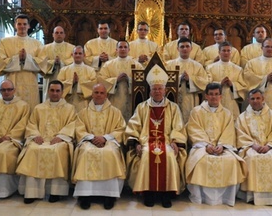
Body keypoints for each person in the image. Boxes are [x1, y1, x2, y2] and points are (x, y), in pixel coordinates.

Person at [125, 64, 187, 208]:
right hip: (146, 141)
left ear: (165, 90)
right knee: (146, 154)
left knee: (170, 155)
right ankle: (149, 193)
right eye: (154, 89)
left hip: (166, 141)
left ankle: (167, 194)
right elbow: (133, 126)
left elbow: (178, 127)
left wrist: (175, 141)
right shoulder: (142, 107)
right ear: (150, 91)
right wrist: (136, 144)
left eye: (160, 89)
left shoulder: (173, 107)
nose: (157, 91)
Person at [16, 80, 77, 204]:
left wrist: (61, 136)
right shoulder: (39, 108)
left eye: (57, 91)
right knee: (32, 150)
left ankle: (55, 192)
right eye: (52, 90)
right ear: (48, 91)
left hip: (59, 141)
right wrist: (35, 135)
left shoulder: (70, 109)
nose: (55, 93)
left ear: (62, 92)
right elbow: (32, 124)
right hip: (40, 139)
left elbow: (72, 124)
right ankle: (32, 192)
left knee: (58, 150)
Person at [185, 83, 247, 206]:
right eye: (211, 94)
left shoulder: (227, 113)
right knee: (200, 161)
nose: (214, 97)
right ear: (206, 96)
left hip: (222, 147)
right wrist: (206, 145)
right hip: (201, 147)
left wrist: (222, 145)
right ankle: (199, 197)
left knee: (231, 161)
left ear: (220, 96)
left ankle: (226, 198)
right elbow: (194, 129)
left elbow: (229, 132)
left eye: (216, 94)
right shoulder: (196, 112)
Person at [72, 84, 126, 210]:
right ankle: (85, 195)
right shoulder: (83, 112)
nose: (99, 95)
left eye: (102, 93)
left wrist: (105, 138)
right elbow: (79, 129)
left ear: (106, 95)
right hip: (89, 141)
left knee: (111, 153)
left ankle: (109, 196)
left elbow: (120, 128)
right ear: (92, 94)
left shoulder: (115, 112)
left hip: (109, 141)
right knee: (85, 153)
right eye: (96, 92)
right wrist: (91, 137)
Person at [235, 89, 272, 206]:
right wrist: (253, 145)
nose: (255, 101)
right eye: (252, 98)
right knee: (252, 159)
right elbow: (240, 134)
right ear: (248, 100)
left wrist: (269, 146)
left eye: (258, 98)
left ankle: (271, 196)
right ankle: (252, 195)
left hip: (270, 147)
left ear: (263, 99)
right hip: (250, 147)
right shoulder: (242, 117)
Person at [0, 14, 47, 110]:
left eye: (24, 24)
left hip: (30, 84)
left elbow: (42, 63)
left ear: (28, 26)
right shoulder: (5, 42)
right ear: (15, 25)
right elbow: (0, 63)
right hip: (12, 83)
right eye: (19, 24)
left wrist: (27, 59)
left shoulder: (37, 44)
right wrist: (17, 59)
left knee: (30, 110)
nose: (22, 26)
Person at [165, 37, 209, 123]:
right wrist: (179, 78)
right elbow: (163, 81)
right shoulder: (169, 65)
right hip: (173, 97)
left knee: (189, 120)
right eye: (182, 47)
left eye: (187, 46)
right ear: (177, 48)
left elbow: (205, 82)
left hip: (190, 98)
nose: (185, 49)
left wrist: (190, 79)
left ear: (191, 48)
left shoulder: (197, 66)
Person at [99, 40, 143, 121]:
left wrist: (129, 80)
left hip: (130, 100)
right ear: (116, 50)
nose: (123, 49)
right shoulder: (108, 65)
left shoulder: (137, 65)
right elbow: (102, 81)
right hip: (114, 100)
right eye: (120, 47)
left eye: (125, 47)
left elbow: (142, 82)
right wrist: (116, 80)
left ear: (129, 50)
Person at [206, 42, 246, 121]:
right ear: (219, 52)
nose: (226, 53)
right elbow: (206, 84)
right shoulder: (210, 67)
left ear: (231, 53)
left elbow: (243, 87)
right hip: (214, 102)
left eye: (228, 51)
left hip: (231, 102)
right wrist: (219, 84)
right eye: (223, 50)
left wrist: (232, 85)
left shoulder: (238, 69)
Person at [39, 26, 75, 101]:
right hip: (51, 78)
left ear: (64, 35)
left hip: (65, 80)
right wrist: (54, 63)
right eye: (57, 33)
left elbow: (74, 62)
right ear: (53, 34)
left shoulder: (72, 48)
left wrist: (61, 62)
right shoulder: (45, 48)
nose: (59, 34)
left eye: (61, 33)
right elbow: (41, 62)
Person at [57, 46, 97, 112]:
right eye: (75, 53)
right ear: (72, 55)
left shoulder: (91, 70)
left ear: (84, 55)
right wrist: (71, 82)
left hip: (84, 102)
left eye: (80, 53)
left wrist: (79, 83)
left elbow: (93, 85)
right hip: (67, 102)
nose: (77, 55)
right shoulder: (64, 70)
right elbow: (58, 85)